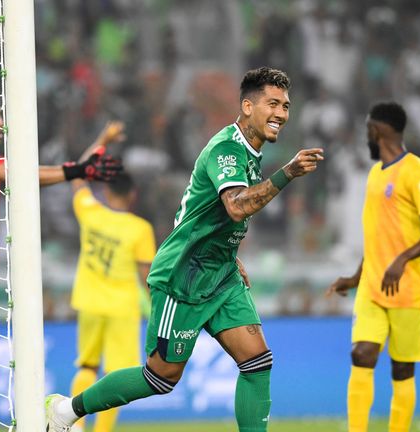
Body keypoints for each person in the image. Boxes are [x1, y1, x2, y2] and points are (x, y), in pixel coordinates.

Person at [46, 67, 325, 432]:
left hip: (220, 272)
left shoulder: (248, 152)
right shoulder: (227, 149)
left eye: (286, 106)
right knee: (161, 377)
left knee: (257, 362)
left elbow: (201, 213)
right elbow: (237, 206)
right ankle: (66, 411)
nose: (281, 114)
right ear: (246, 106)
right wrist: (287, 172)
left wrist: (228, 251)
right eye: (272, 103)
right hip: (184, 276)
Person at [0, 92, 122, 432]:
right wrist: (76, 169)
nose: (1, 123)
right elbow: (15, 174)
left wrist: (82, 163)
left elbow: (28, 174)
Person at [326, 102, 420, 432]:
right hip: (373, 287)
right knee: (362, 354)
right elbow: (378, 236)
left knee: (402, 370)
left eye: (368, 130)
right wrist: (356, 276)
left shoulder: (416, 172)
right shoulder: (375, 174)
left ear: (376, 131)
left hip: (409, 289)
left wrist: (401, 260)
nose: (366, 137)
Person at [68, 123, 157, 432]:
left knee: (87, 365)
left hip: (89, 300)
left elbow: (77, 174)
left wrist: (101, 140)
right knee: (119, 373)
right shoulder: (139, 229)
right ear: (132, 195)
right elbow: (147, 275)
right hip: (122, 306)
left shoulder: (91, 213)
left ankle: (73, 424)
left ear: (106, 190)